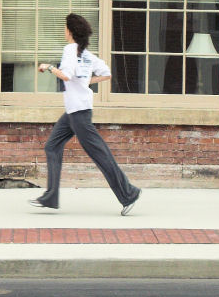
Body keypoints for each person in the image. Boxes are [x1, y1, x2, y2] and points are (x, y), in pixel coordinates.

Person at [29, 13, 142, 215]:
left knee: (100, 154)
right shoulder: (87, 55)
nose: (64, 31)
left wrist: (48, 67)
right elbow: (106, 74)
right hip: (75, 111)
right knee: (52, 146)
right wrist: (87, 81)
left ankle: (128, 193)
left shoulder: (70, 50)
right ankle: (50, 197)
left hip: (79, 113)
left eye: (65, 28)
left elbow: (67, 75)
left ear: (70, 31)